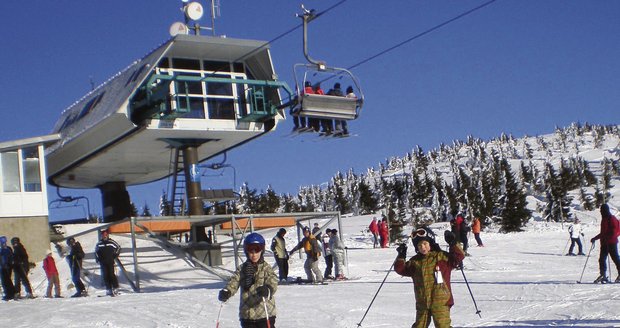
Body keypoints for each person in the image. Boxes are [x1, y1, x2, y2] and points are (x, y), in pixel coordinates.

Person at [394, 229, 465, 328]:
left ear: (430, 242)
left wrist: (453, 243)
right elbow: (400, 269)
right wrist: (401, 256)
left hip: (441, 301)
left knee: (443, 326)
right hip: (422, 302)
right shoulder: (415, 262)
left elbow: (458, 256)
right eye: (419, 245)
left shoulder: (441, 256)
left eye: (425, 243)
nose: (422, 247)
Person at [218, 233, 278, 328]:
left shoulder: (266, 268)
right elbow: (234, 281)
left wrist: (268, 289)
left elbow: (273, 281)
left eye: (257, 250)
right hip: (247, 315)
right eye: (251, 251)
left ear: (261, 251)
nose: (254, 254)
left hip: (264, 314)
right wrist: (227, 291)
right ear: (246, 251)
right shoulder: (242, 269)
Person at [590, 204, 620, 283]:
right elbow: (603, 233)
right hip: (604, 243)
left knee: (616, 259)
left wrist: (608, 237)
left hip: (612, 243)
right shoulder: (604, 219)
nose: (600, 211)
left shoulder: (612, 218)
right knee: (602, 259)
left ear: (605, 210)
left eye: (601, 210)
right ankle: (603, 275)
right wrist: (595, 238)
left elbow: (614, 231)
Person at [95, 230, 121, 296]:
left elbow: (118, 247)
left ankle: (115, 288)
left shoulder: (111, 242)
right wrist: (98, 258)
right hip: (103, 262)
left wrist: (115, 255)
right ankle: (108, 288)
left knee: (111, 274)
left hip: (110, 260)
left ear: (107, 235)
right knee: (105, 275)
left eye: (106, 235)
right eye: (103, 235)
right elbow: (96, 252)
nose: (104, 236)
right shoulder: (99, 243)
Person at [0, 236, 16, 301]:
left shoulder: (4, 250)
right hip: (6, 267)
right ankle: (12, 293)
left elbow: (7, 259)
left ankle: (9, 294)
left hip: (4, 267)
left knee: (5, 281)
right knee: (7, 281)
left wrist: (6, 265)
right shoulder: (7, 250)